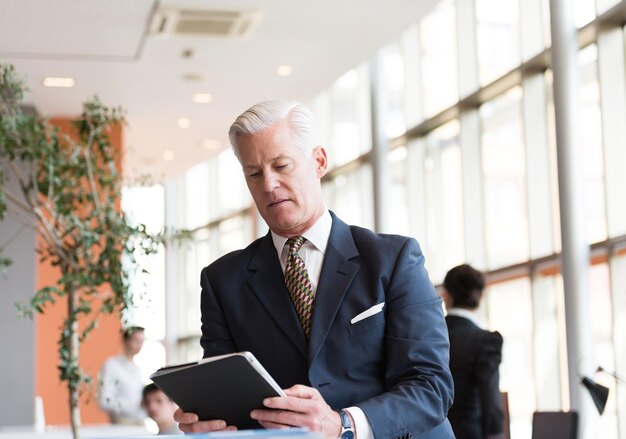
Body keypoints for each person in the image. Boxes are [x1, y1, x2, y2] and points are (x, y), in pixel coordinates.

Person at [174, 100, 454, 439]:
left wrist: (343, 424)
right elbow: (229, 398)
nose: (268, 185)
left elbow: (430, 386)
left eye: (281, 165)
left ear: (318, 161)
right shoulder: (222, 281)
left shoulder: (393, 259)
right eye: (254, 173)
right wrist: (211, 424)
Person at [441, 264, 504, 439]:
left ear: (446, 295)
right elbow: (490, 397)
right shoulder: (486, 341)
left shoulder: (427, 335)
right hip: (471, 433)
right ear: (480, 296)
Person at [98, 326, 146, 425]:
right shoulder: (111, 365)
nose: (139, 344)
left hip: (140, 423)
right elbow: (103, 401)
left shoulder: (137, 369)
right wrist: (134, 405)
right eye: (136, 340)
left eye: (142, 340)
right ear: (125, 341)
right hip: (122, 424)